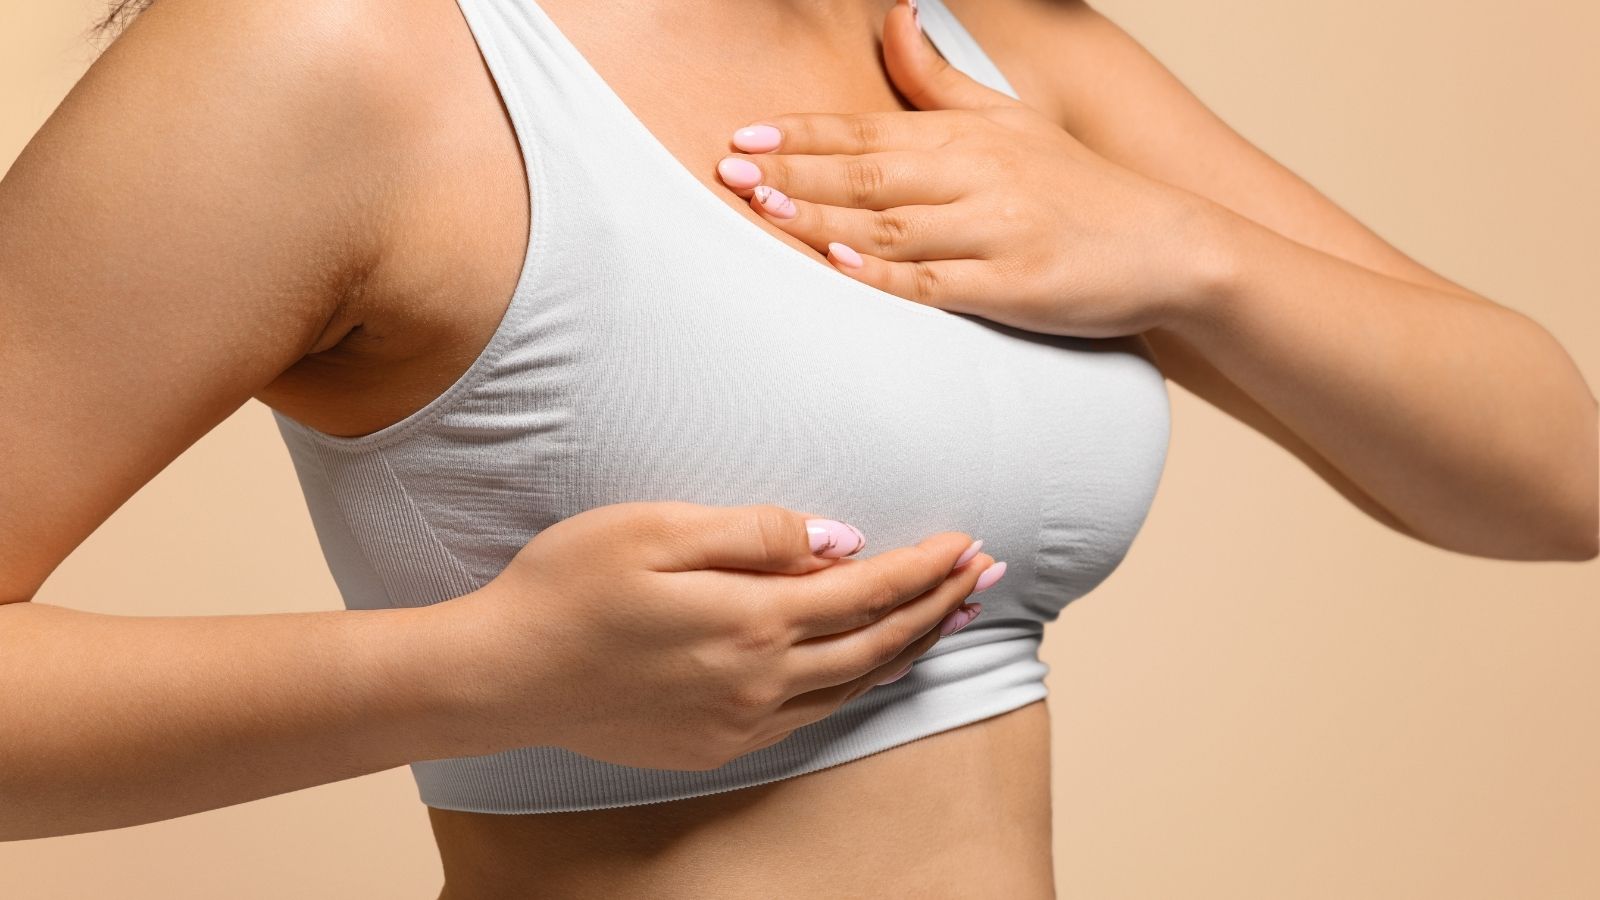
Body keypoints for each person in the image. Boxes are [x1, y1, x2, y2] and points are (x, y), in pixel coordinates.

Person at [2, 0, 1593, 897]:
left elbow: (1555, 476)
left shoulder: (982, 42)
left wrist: (1185, 252)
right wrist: (480, 675)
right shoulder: (329, 48)